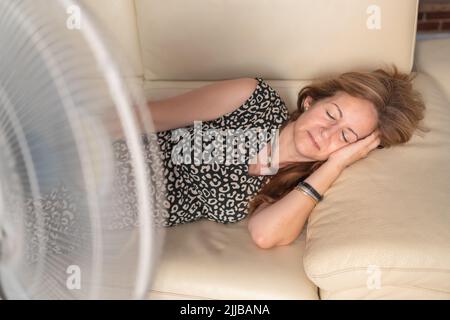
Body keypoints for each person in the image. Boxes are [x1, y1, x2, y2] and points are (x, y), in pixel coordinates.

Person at [138, 64, 428, 248]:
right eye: (330, 114)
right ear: (309, 101)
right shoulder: (253, 99)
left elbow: (264, 235)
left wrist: (335, 164)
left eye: (345, 136)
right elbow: (147, 117)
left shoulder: (294, 186)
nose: (326, 133)